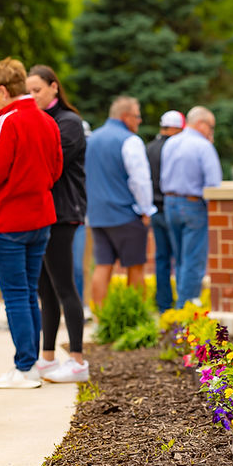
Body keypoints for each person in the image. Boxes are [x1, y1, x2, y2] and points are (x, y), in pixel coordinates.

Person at [0, 58, 62, 389]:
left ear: (3, 91)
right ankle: (31, 363)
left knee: (16, 296)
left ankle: (24, 367)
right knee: (29, 292)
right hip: (40, 218)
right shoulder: (48, 122)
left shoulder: (6, 122)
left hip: (7, 221)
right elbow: (55, 170)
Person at [25, 65, 89, 383]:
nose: (32, 96)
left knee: (64, 286)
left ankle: (77, 361)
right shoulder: (44, 121)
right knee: (45, 289)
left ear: (54, 87)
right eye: (29, 91)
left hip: (63, 213)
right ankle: (48, 358)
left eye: (37, 90)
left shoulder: (69, 123)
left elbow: (51, 165)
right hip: (44, 213)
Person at [84, 96, 156, 308]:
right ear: (125, 117)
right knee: (135, 267)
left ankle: (101, 318)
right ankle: (135, 318)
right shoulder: (130, 140)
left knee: (102, 266)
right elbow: (140, 179)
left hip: (98, 215)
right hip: (125, 214)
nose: (139, 120)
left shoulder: (92, 140)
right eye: (137, 116)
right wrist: (145, 210)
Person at [160, 106, 222, 308]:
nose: (212, 131)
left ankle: (179, 306)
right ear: (202, 124)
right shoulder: (203, 146)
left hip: (170, 203)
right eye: (211, 126)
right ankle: (185, 310)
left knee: (179, 260)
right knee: (193, 260)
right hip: (193, 205)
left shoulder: (171, 142)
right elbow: (213, 184)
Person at [146, 110, 185, 313]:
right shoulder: (175, 148)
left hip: (154, 210)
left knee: (161, 258)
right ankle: (182, 305)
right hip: (172, 208)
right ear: (176, 128)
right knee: (179, 257)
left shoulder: (149, 148)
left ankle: (163, 305)